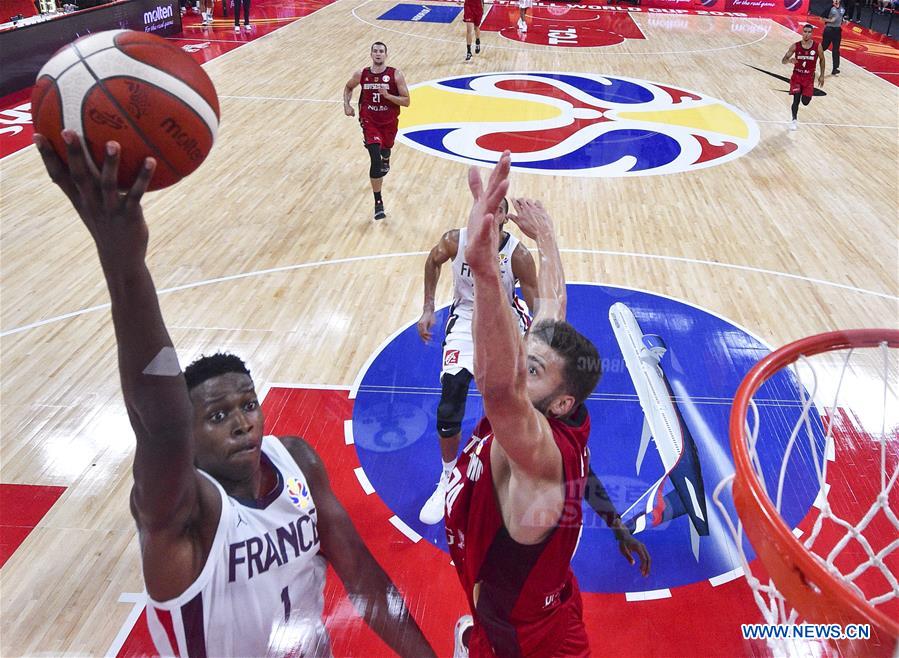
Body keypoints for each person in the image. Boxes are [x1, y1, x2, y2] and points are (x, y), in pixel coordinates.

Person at [32, 130, 436, 658]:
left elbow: (364, 577)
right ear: (190, 440)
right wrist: (124, 261)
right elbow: (160, 422)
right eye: (217, 415)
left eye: (247, 404)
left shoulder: (296, 462)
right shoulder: (182, 511)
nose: (243, 422)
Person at [444, 152, 645, 657]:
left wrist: (487, 273)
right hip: (552, 595)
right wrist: (548, 236)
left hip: (520, 630)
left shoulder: (537, 451)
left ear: (559, 404)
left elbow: (497, 388)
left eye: (531, 368)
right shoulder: (563, 407)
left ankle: (473, 644)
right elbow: (551, 307)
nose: (519, 357)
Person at [416, 198, 538, 525]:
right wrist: (428, 307)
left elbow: (538, 307)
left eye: (497, 207)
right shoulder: (456, 240)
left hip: (505, 321)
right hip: (467, 317)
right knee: (449, 401)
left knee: (507, 404)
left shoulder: (518, 256)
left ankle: (513, 475)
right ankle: (447, 478)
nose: (489, 210)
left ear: (504, 218)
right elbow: (432, 261)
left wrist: (532, 345)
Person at [343, 42, 410, 221]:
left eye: (381, 51)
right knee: (375, 158)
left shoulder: (395, 74)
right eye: (375, 51)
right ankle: (378, 202)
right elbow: (348, 87)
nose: (378, 54)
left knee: (385, 149)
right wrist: (346, 104)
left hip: (388, 122)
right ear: (371, 54)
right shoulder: (362, 74)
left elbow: (406, 101)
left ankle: (386, 155)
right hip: (369, 121)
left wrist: (387, 96)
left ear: (386, 55)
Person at [782, 24, 825, 131]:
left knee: (805, 102)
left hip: (809, 78)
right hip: (797, 76)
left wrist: (822, 75)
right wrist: (789, 60)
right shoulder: (795, 46)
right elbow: (783, 60)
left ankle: (804, 94)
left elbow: (822, 59)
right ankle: (794, 120)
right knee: (796, 99)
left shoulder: (817, 46)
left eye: (809, 32)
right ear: (802, 32)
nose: (806, 34)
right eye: (805, 31)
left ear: (812, 33)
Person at [821, 0, 844, 74]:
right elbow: (821, 18)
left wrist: (843, 21)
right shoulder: (829, 8)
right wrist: (830, 20)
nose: (836, 0)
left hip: (837, 31)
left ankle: (835, 68)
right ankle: (813, 56)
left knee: (836, 50)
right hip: (829, 30)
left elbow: (841, 17)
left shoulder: (842, 9)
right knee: (824, 47)